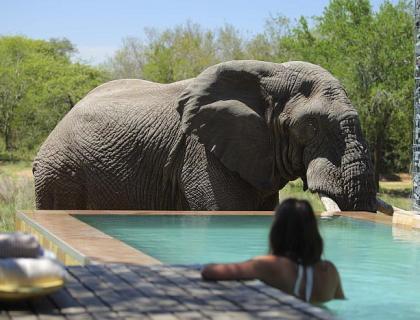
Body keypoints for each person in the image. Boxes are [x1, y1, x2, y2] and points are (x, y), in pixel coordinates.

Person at [201, 198, 345, 303]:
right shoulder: (330, 270)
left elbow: (209, 272)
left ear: (277, 232)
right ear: (313, 233)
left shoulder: (272, 265)